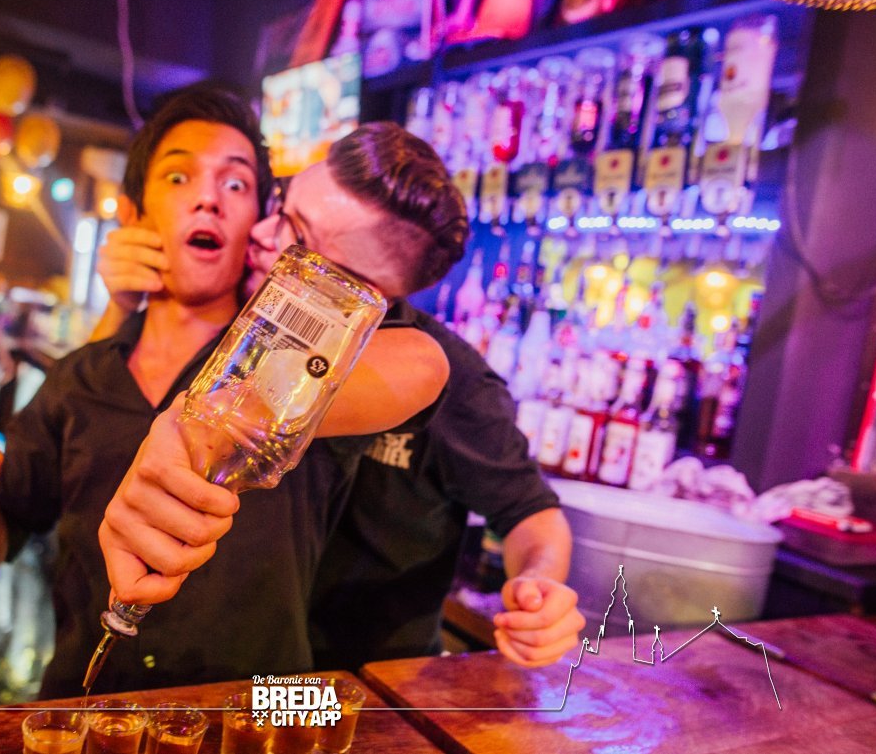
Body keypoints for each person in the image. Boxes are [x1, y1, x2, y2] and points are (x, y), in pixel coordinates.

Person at [0, 85, 450, 696]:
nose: (208, 198)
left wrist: (203, 424)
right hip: (86, 707)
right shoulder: (81, 376)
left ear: (259, 225)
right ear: (135, 216)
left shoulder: (296, 367)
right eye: (179, 177)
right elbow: (4, 534)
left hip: (256, 716)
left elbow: (423, 364)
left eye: (235, 184)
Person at [101, 122, 583, 669]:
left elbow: (532, 514)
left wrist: (540, 589)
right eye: (281, 206)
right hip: (251, 661)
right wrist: (120, 306)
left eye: (297, 238)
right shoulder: (251, 308)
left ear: (367, 293)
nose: (262, 232)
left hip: (362, 678)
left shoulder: (451, 375)